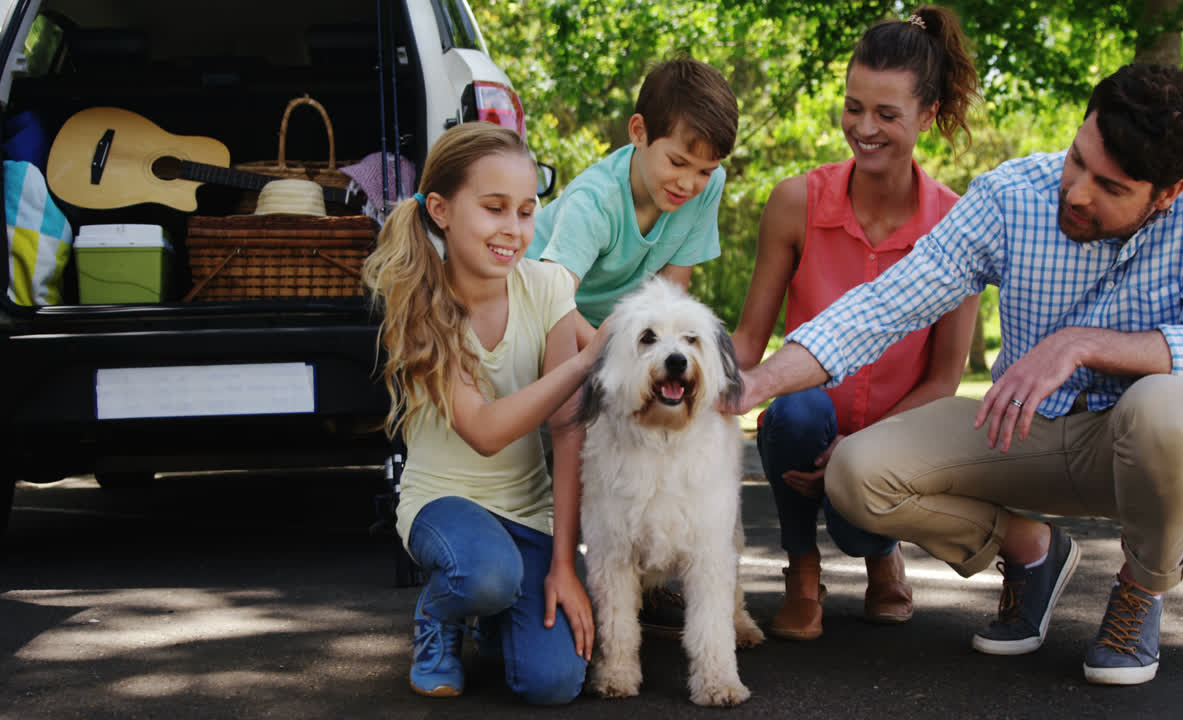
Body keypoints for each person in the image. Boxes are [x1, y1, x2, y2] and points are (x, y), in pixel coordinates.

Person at [729, 63, 1183, 685]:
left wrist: (1079, 345)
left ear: (1167, 193)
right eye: (1076, 160)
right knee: (856, 472)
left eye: (1109, 187)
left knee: (1172, 407)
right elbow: (884, 305)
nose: (1076, 192)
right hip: (1021, 430)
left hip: (1139, 447)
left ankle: (1141, 588)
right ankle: (1032, 550)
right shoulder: (1011, 196)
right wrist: (757, 384)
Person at [732, 6, 982, 641]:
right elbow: (749, 343)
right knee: (795, 411)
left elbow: (944, 380)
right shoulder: (795, 202)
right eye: (853, 108)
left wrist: (861, 448)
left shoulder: (959, 223)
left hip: (889, 447)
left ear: (926, 115)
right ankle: (802, 570)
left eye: (886, 114)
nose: (863, 128)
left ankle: (880, 556)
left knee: (859, 523)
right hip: (803, 426)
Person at [361, 122, 609, 703]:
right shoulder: (421, 304)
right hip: (444, 505)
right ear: (441, 210)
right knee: (486, 575)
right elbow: (485, 431)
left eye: (526, 211)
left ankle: (497, 615)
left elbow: (567, 430)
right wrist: (584, 360)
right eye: (494, 208)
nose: (513, 230)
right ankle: (440, 614)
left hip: (528, 513)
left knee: (555, 684)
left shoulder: (547, 288)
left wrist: (565, 563)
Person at [528, 55, 739, 633]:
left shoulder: (704, 188)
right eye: (678, 163)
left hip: (625, 337)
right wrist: (611, 360)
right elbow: (550, 302)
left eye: (705, 170)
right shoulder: (594, 202)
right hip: (551, 323)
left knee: (650, 434)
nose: (689, 183)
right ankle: (559, 567)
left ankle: (648, 572)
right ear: (639, 132)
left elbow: (673, 287)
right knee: (576, 432)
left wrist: (658, 355)